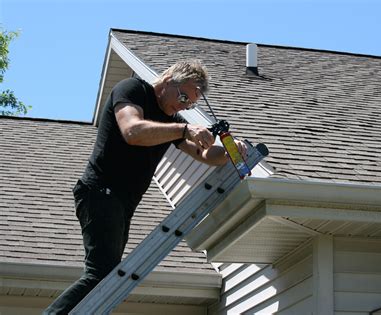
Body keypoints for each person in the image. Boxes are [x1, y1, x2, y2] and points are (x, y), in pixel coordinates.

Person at [44, 60, 247, 314]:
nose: (183, 105)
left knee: (107, 281)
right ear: (169, 78)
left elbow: (204, 155)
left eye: (189, 103)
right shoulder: (132, 89)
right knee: (101, 275)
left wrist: (231, 150)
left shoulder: (171, 120)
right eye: (183, 96)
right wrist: (184, 129)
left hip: (121, 204)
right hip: (100, 192)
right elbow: (133, 131)